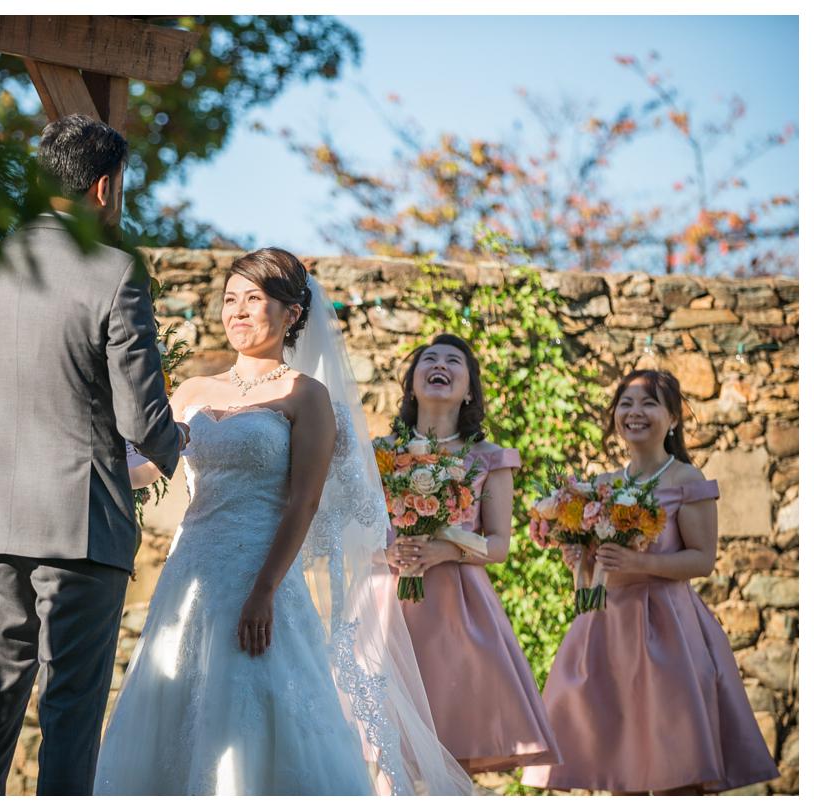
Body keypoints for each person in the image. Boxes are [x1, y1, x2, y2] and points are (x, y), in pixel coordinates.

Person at [96, 249, 476, 796]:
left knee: (258, 714)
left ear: (293, 313)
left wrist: (265, 590)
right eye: (231, 299)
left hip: (263, 576)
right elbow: (144, 469)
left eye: (255, 299)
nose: (239, 312)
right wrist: (91, 457)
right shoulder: (193, 393)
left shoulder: (305, 395)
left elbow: (304, 501)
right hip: (192, 574)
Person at [0, 114, 185, 796]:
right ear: (105, 188)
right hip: (82, 526)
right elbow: (141, 414)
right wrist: (176, 444)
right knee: (70, 713)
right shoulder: (114, 271)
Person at [520, 370, 779, 794]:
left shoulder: (687, 482)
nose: (635, 412)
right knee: (622, 763)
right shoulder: (601, 487)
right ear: (614, 417)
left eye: (649, 403)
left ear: (673, 418)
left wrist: (636, 565)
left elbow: (702, 560)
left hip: (669, 629)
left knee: (676, 763)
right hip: (607, 631)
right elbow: (593, 571)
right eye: (626, 403)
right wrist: (579, 561)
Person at [384, 335, 560, 773]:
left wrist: (444, 550)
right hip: (386, 607)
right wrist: (390, 551)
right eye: (429, 358)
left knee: (454, 734)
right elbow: (355, 530)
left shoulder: (489, 457)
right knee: (385, 746)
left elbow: (499, 544)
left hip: (458, 612)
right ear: (411, 384)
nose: (439, 364)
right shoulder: (380, 453)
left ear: (469, 391)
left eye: (452, 361)